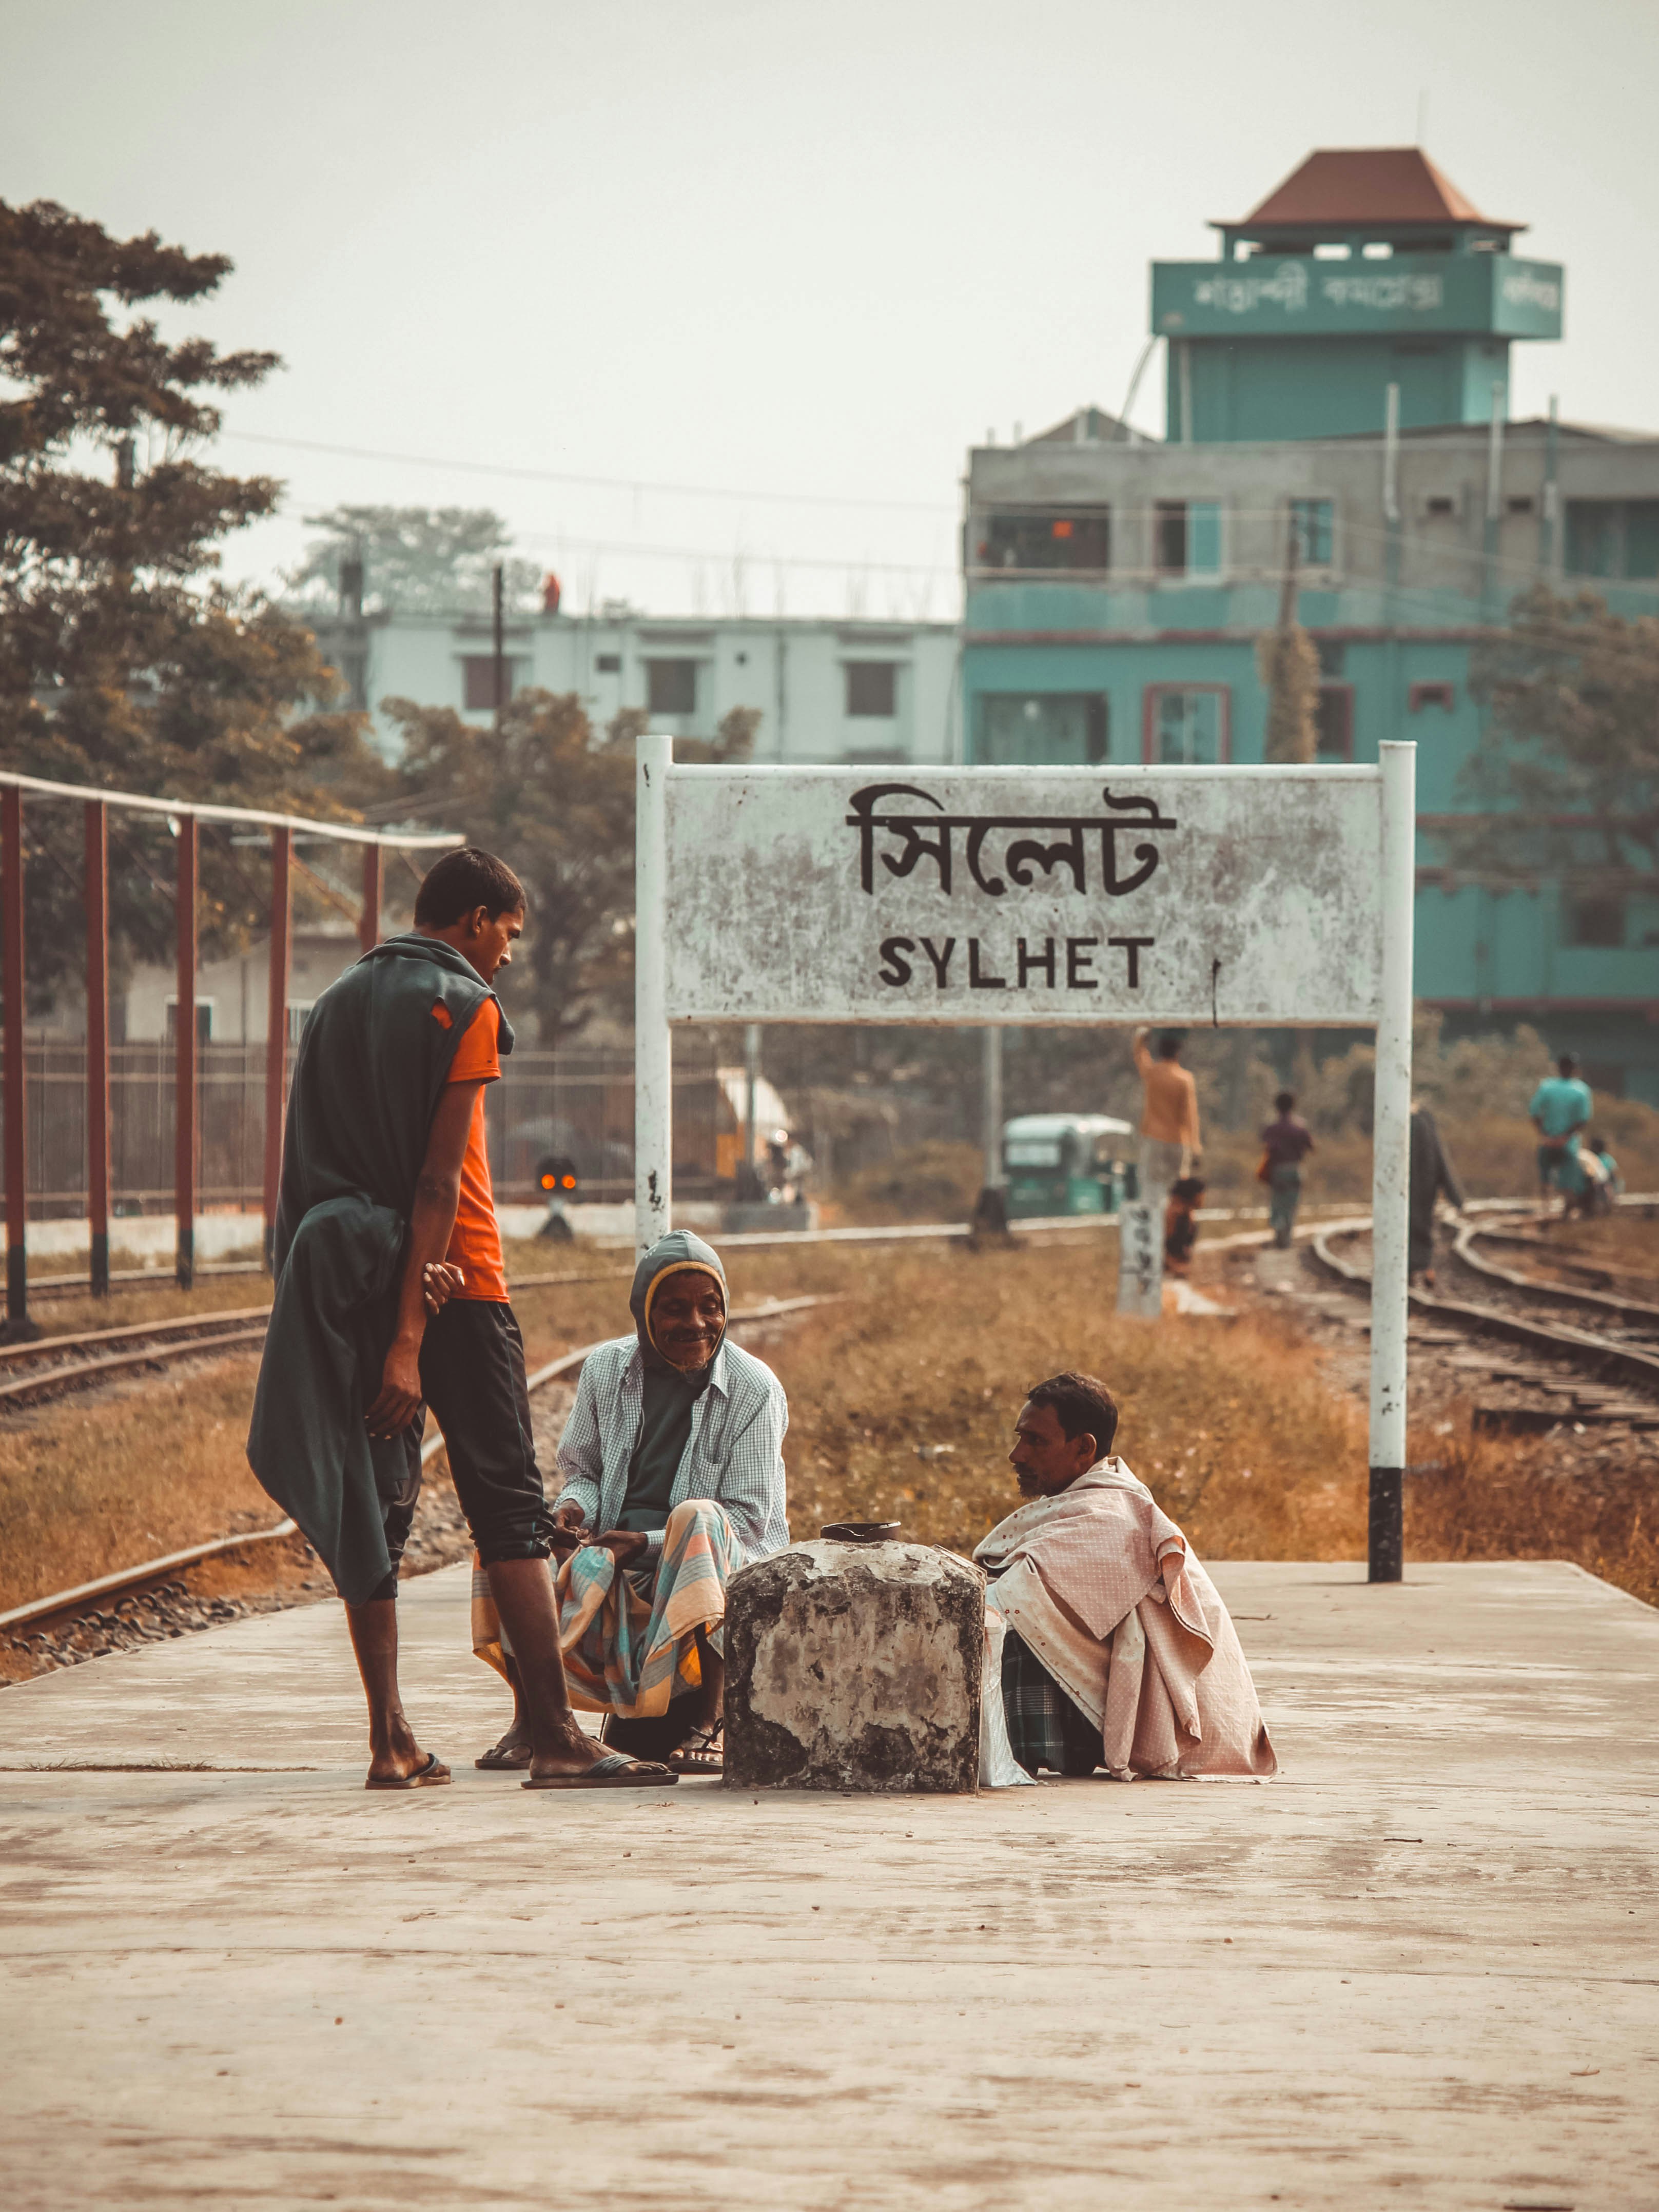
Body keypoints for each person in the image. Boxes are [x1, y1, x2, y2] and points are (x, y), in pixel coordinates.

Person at [248, 846, 672, 1791]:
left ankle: (390, 1740)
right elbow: (440, 1180)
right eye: (509, 934)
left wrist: (363, 1312)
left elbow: (305, 1168)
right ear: (476, 919)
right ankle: (556, 1735)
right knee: (508, 1509)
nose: (510, 957)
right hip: (457, 1288)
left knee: (377, 1505)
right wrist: (410, 1335)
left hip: (349, 1283)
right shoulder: (464, 1002)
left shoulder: (337, 1003)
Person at [471, 1230, 789, 1777]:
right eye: (674, 1309)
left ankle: (711, 1720)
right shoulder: (605, 1370)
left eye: (710, 1308)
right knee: (510, 1537)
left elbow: (747, 1522)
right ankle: (537, 1720)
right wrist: (573, 1511)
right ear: (644, 1315)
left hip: (711, 1570)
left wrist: (642, 1542)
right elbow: (585, 1472)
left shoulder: (754, 1388)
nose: (695, 1324)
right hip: (615, 1565)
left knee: (699, 1515)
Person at [974, 1373, 1276, 1782]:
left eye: (1036, 1441)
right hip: (1110, 1701)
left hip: (1164, 1724)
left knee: (1008, 1618)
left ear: (1084, 1448)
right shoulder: (1087, 1500)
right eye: (1019, 1438)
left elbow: (1006, 1597)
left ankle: (1032, 1752)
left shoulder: (1110, 1514)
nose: (1016, 1454)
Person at [1131, 1027, 1201, 1204]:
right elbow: (1189, 1115)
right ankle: (1171, 1224)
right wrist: (1195, 1147)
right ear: (1178, 1053)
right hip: (1178, 1140)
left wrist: (1142, 1038)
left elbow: (1140, 1055)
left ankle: (1154, 1224)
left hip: (1154, 1137)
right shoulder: (1185, 1079)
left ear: (1160, 1051)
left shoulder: (1153, 1074)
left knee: (1151, 1185)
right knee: (1175, 1188)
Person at [1409, 1100, 1465, 1285]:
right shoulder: (1425, 1121)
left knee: (1413, 1224)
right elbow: (1441, 1159)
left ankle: (1416, 1268)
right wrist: (1455, 1196)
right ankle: (1423, 1267)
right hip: (1426, 1186)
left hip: (1412, 1186)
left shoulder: (1413, 1121)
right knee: (1423, 1224)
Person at [1529, 1053, 1592, 1210]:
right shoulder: (1581, 1090)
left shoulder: (1547, 1086)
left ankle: (1545, 1207)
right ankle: (1566, 1211)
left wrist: (1545, 1134)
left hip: (1548, 1140)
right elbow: (1583, 1119)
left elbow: (1535, 1112)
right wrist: (1565, 1137)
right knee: (1568, 1178)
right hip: (1569, 1143)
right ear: (1575, 1069)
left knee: (1545, 1175)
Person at [1259, 1089, 1314, 1249]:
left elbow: (1266, 1146)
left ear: (1277, 1107)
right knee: (1292, 1204)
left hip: (1277, 1171)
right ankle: (1287, 1237)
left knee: (1278, 1202)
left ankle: (1279, 1231)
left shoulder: (1272, 1128)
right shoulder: (1300, 1128)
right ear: (1294, 1106)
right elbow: (1311, 1147)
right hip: (1295, 1170)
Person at [1162, 1175, 1205, 1279]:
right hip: (1167, 1274)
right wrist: (1174, 1267)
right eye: (1201, 1194)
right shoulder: (1172, 1215)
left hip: (1180, 1271)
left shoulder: (1189, 1215)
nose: (1204, 1198)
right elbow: (1160, 1248)